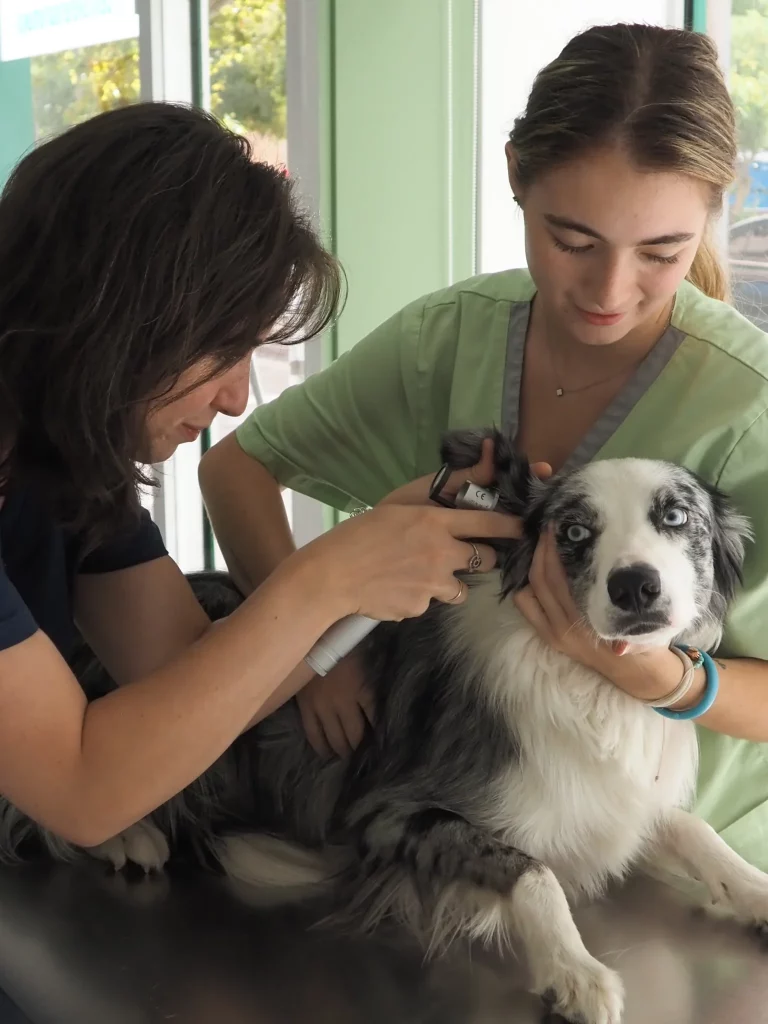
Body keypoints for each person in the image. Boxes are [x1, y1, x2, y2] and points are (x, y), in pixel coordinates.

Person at [200, 23, 768, 871]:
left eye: (663, 253)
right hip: (460, 834)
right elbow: (235, 469)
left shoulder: (747, 404)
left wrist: (674, 683)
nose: (610, 291)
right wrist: (308, 657)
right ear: (513, 175)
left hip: (689, 864)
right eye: (572, 241)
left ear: (711, 217)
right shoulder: (452, 336)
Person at [0, 101, 520, 851]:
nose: (236, 399)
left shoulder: (66, 455)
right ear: (121, 313)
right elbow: (82, 788)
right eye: (223, 350)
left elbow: (184, 678)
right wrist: (326, 579)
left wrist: (366, 576)